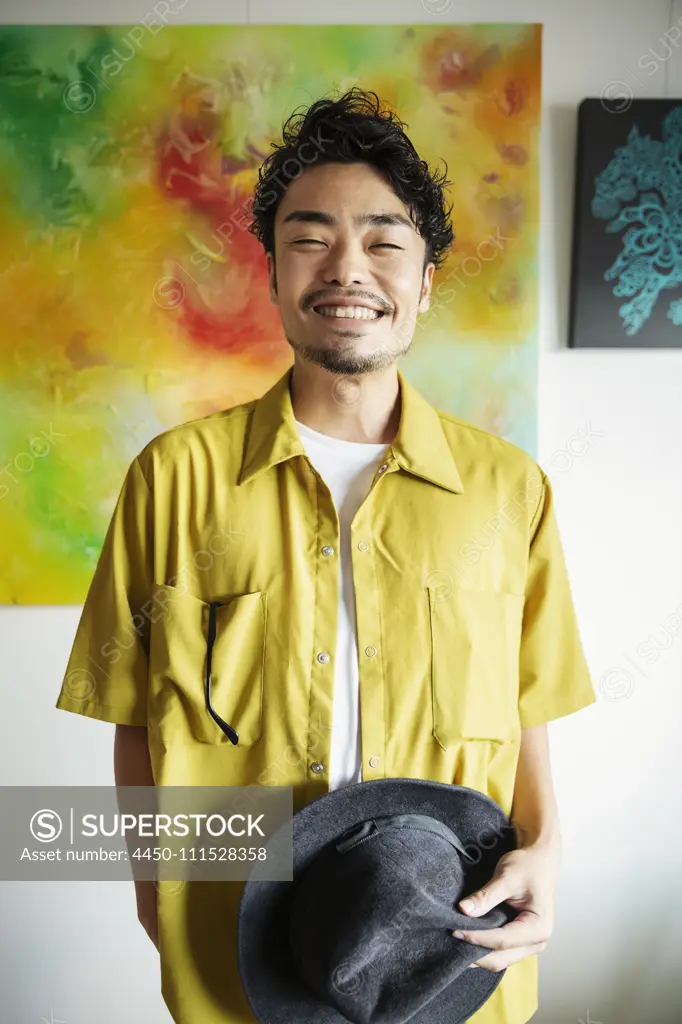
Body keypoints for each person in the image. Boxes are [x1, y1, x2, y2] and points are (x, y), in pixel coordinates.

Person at [56, 88, 597, 1024]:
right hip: (236, 961)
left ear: (424, 283)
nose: (349, 267)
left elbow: (527, 708)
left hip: (451, 952)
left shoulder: (511, 490)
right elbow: (135, 716)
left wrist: (547, 848)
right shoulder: (174, 479)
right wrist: (159, 904)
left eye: (385, 241)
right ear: (273, 274)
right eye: (311, 237)